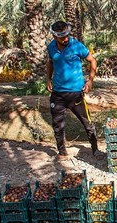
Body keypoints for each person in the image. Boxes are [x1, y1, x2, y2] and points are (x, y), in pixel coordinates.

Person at [46, 20, 104, 160]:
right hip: (57, 94)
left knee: (87, 123)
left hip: (76, 94)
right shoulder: (51, 47)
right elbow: (50, 62)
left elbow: (92, 60)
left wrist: (90, 80)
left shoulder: (77, 46)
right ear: (54, 36)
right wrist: (48, 79)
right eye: (62, 37)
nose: (66, 39)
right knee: (58, 125)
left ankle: (95, 150)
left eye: (67, 35)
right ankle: (62, 152)